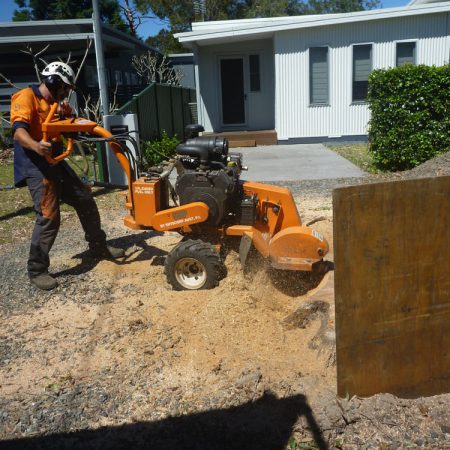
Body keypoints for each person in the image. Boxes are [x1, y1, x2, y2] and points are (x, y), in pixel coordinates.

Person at [11, 61, 125, 291]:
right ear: (54, 81)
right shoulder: (26, 97)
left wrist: (89, 128)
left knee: (85, 199)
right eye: (65, 88)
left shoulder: (57, 104)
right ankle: (37, 269)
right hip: (35, 162)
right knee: (49, 217)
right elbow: (18, 131)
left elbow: (71, 120)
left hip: (55, 158)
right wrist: (36, 146)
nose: (65, 94)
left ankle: (98, 246)